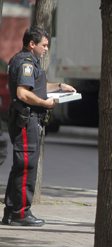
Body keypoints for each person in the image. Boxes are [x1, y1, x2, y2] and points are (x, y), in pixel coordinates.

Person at [2, 27, 76, 226]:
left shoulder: (25, 60)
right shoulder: (26, 63)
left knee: (21, 166)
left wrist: (59, 86)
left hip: (26, 119)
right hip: (27, 120)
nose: (46, 49)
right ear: (31, 44)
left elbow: (36, 85)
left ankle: (11, 211)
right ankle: (20, 213)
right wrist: (45, 104)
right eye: (43, 45)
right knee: (27, 166)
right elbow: (23, 93)